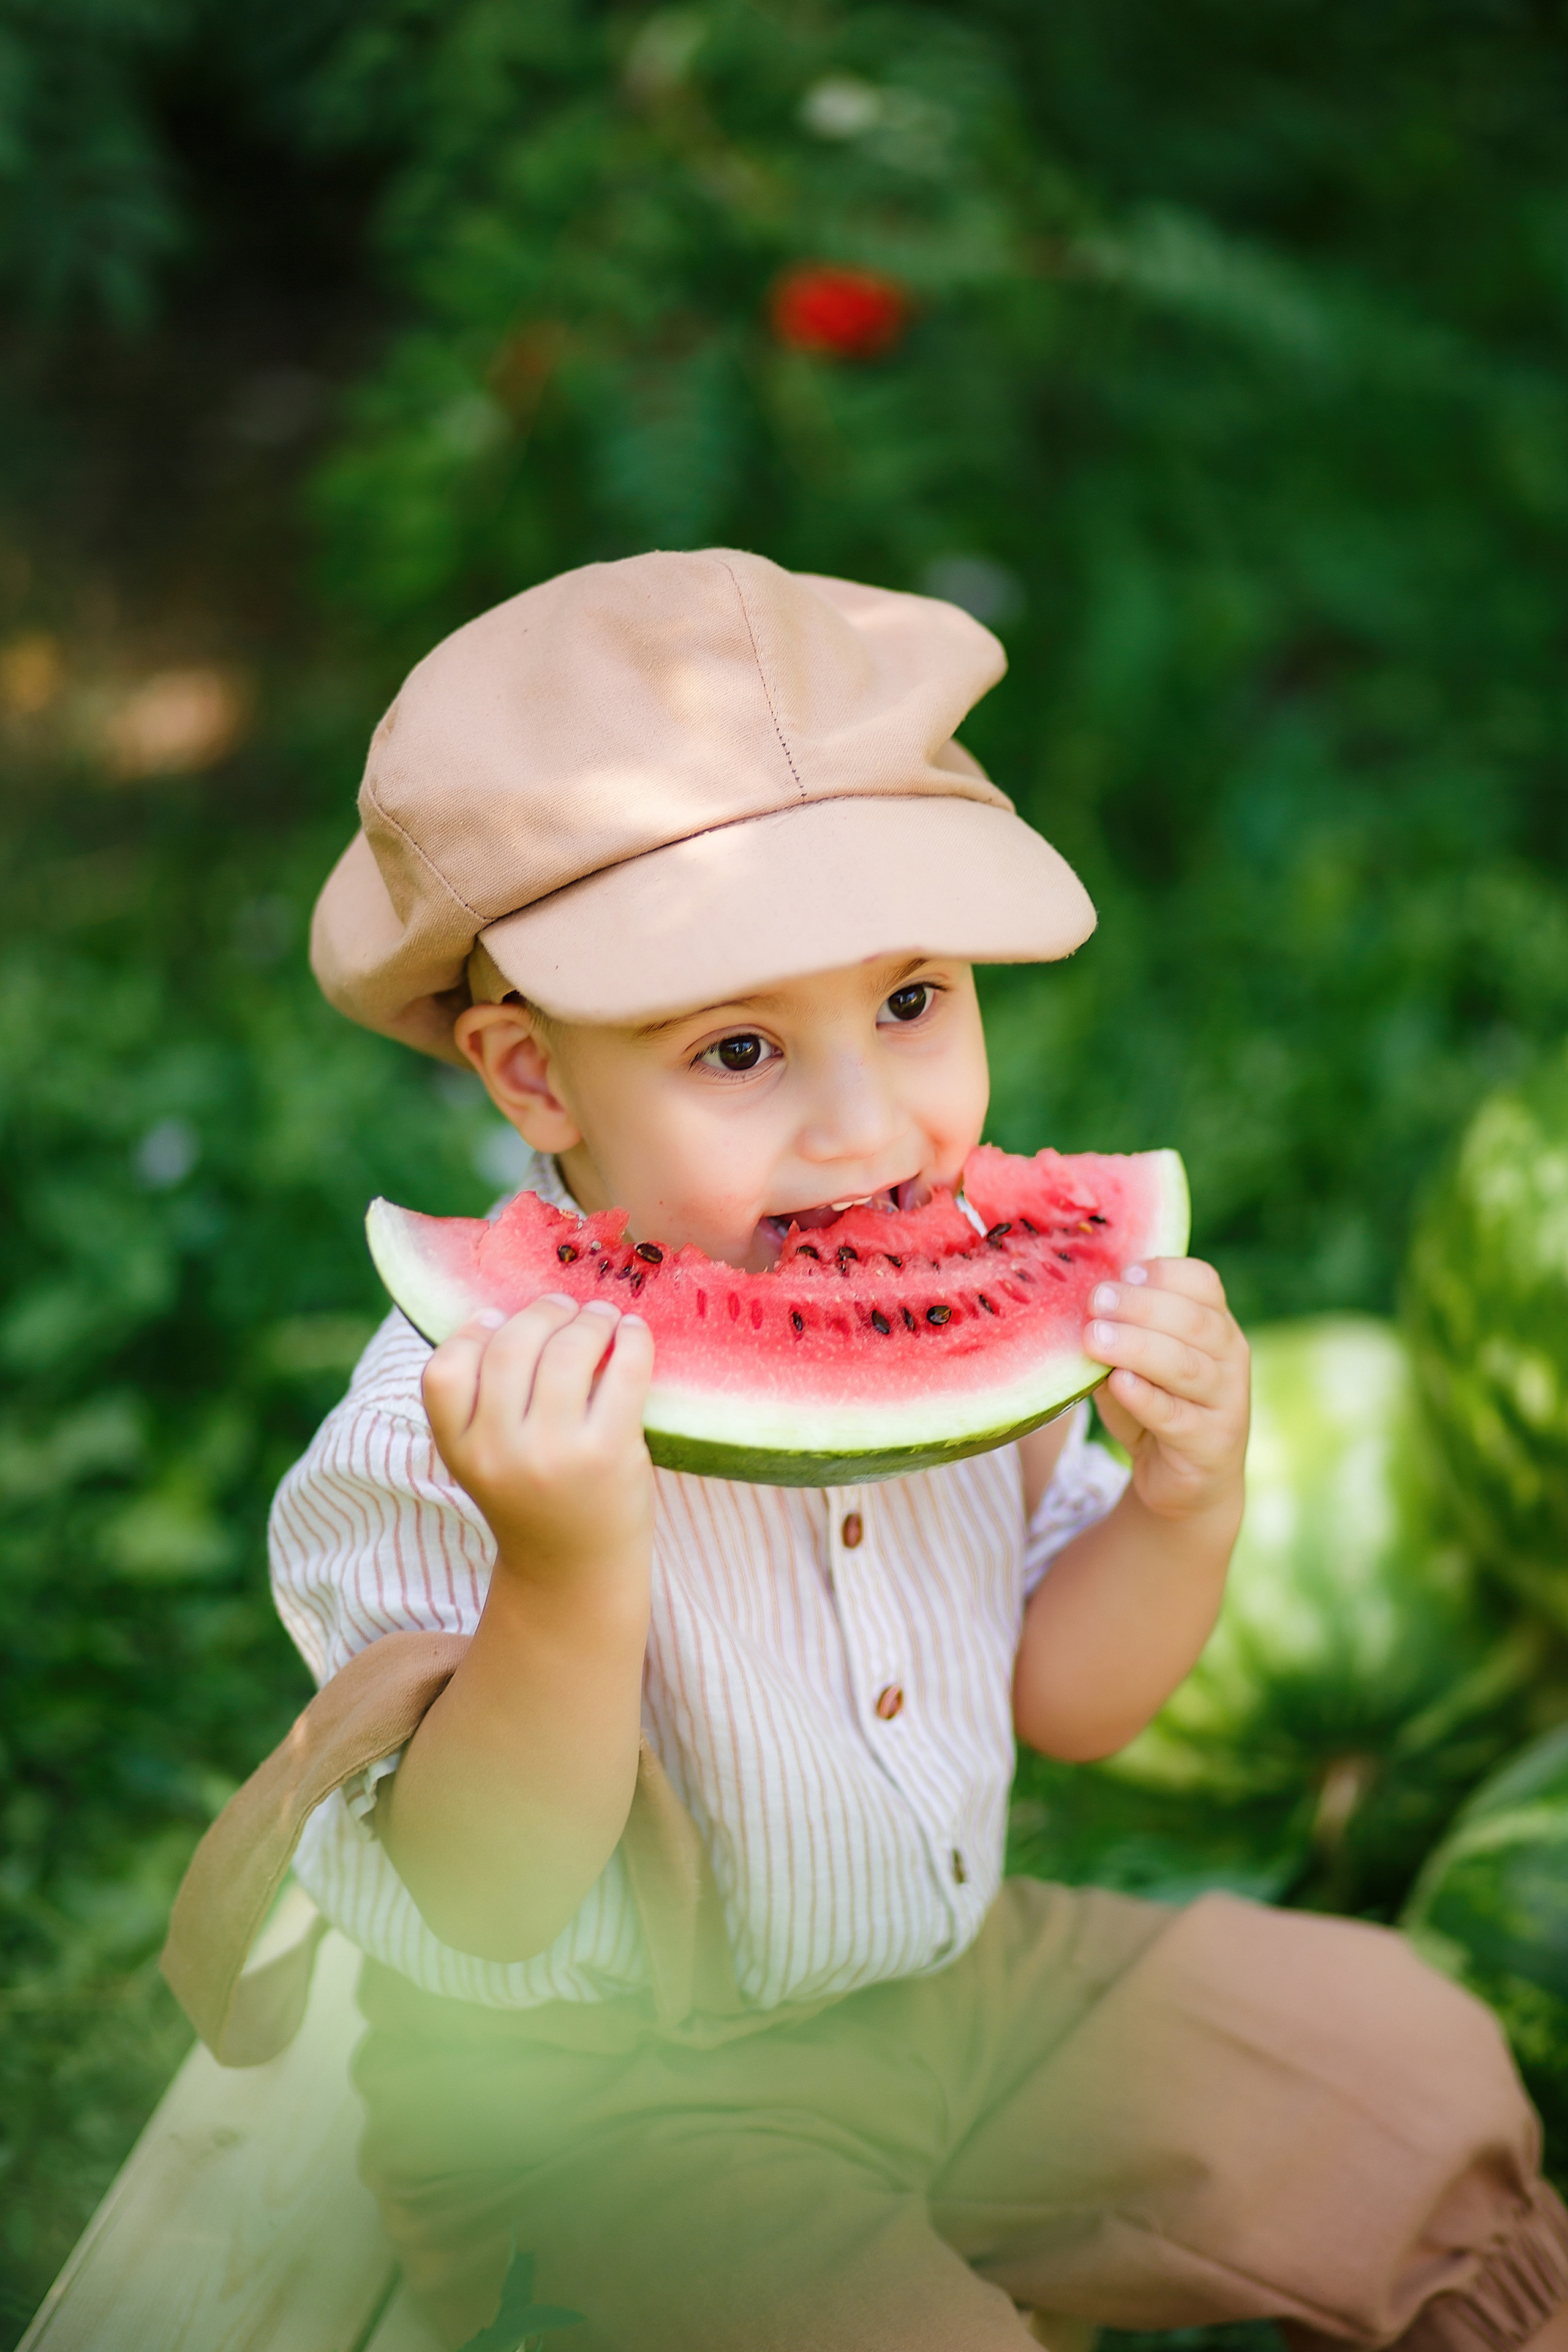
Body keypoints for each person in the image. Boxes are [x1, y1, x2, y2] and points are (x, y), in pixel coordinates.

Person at [164, 550, 1568, 2352]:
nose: (869, 1127)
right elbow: (491, 1901)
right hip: (601, 2118)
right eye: (739, 1047)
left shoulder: (960, 1318)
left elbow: (1073, 1702)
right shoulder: (445, 1432)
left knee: (1404, 2060)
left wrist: (1180, 1497)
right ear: (529, 1077)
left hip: (957, 1998)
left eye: (914, 1003)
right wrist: (571, 1564)